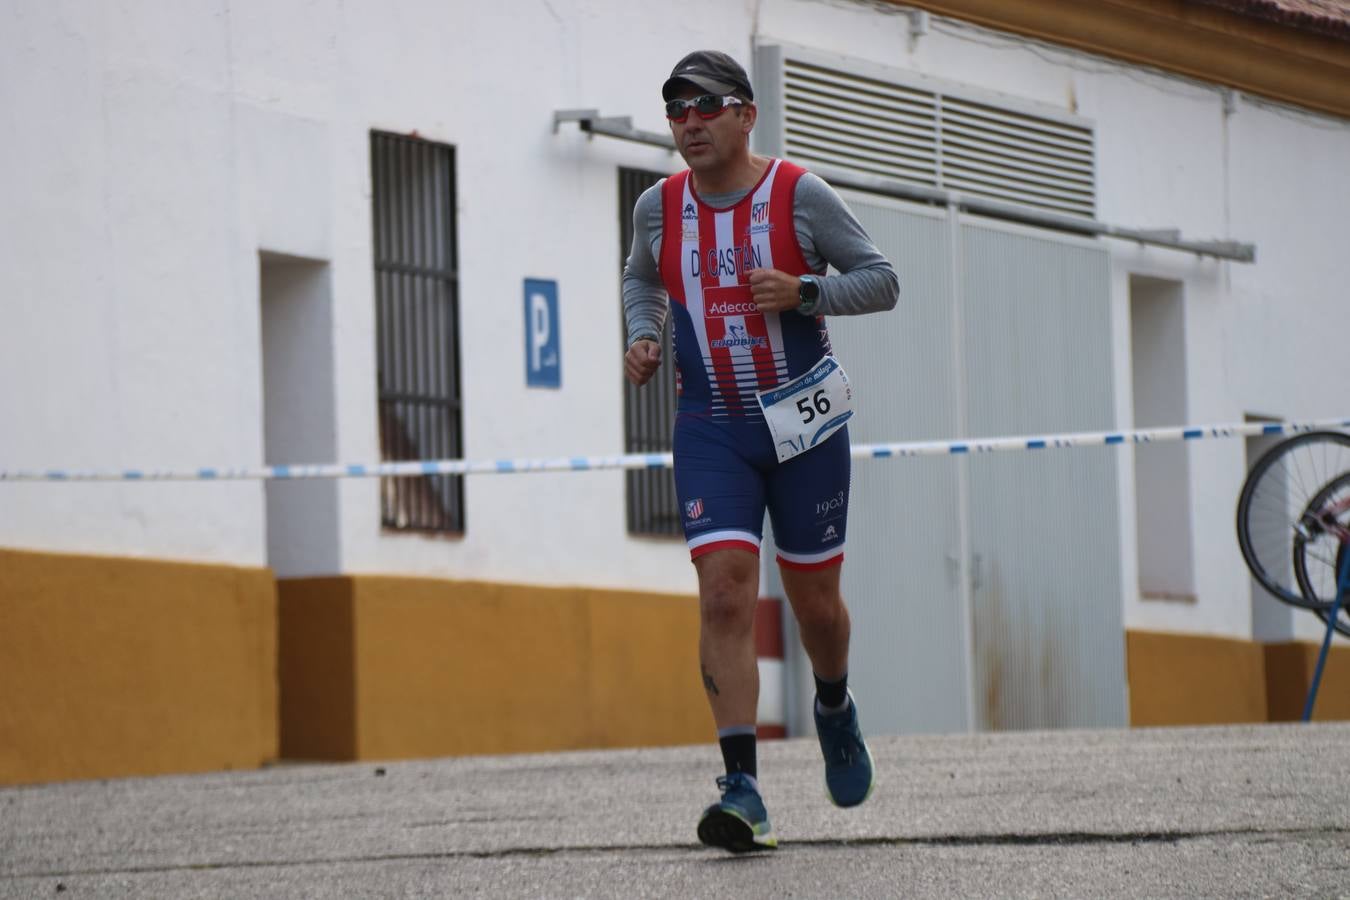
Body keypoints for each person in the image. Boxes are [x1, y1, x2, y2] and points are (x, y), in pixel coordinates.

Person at [623, 49, 899, 853]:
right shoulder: (657, 208)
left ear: (746, 114)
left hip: (804, 422)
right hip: (711, 425)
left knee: (815, 606)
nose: (690, 123)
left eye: (706, 106)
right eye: (676, 110)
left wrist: (807, 291)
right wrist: (644, 334)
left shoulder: (798, 195)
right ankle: (742, 787)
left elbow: (881, 279)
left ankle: (835, 706)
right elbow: (642, 278)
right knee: (724, 594)